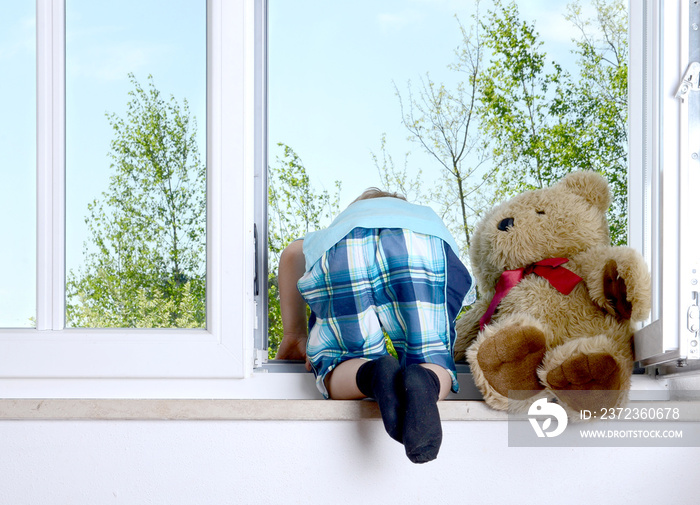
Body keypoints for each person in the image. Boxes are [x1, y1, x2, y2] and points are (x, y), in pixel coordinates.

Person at [276, 188, 474, 463]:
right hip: (422, 247)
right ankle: (425, 381)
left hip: (346, 250)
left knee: (341, 360)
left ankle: (371, 373)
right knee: (432, 354)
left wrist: (294, 334)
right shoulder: (421, 221)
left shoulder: (341, 228)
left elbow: (292, 254)